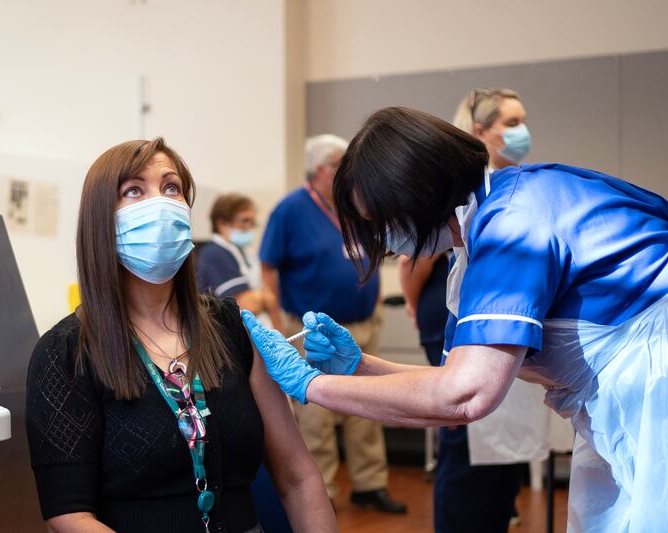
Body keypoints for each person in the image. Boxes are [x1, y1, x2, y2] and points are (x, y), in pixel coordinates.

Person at [241, 107, 668, 532]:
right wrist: (361, 366)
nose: (382, 237)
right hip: (624, 402)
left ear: (416, 190)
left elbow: (465, 397)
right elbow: (449, 387)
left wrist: (309, 384)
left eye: (379, 219)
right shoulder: (473, 245)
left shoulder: (512, 225)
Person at [25, 138, 337, 533]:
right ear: (100, 219)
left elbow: (298, 477)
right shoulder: (66, 352)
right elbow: (69, 517)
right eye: (134, 190)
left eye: (171, 187)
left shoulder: (232, 327)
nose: (161, 203)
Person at [402, 88, 550, 532]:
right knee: (465, 435)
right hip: (458, 318)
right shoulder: (463, 188)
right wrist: (419, 316)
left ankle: (496, 515)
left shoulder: (513, 182)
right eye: (511, 122)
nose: (522, 131)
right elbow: (415, 260)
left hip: (500, 318)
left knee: (504, 439)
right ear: (480, 130)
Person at [259, 134, 407, 514]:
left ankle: (369, 484)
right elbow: (268, 266)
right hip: (311, 330)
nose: (350, 171)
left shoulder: (350, 205)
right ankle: (320, 490)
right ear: (322, 169)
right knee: (316, 415)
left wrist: (372, 301)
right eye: (342, 163)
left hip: (361, 323)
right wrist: (278, 322)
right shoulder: (291, 209)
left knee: (369, 409)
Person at [196, 193, 282, 328]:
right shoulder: (215, 253)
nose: (249, 227)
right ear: (222, 223)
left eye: (252, 222)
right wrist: (267, 298)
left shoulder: (242, 251)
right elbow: (245, 305)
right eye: (244, 221)